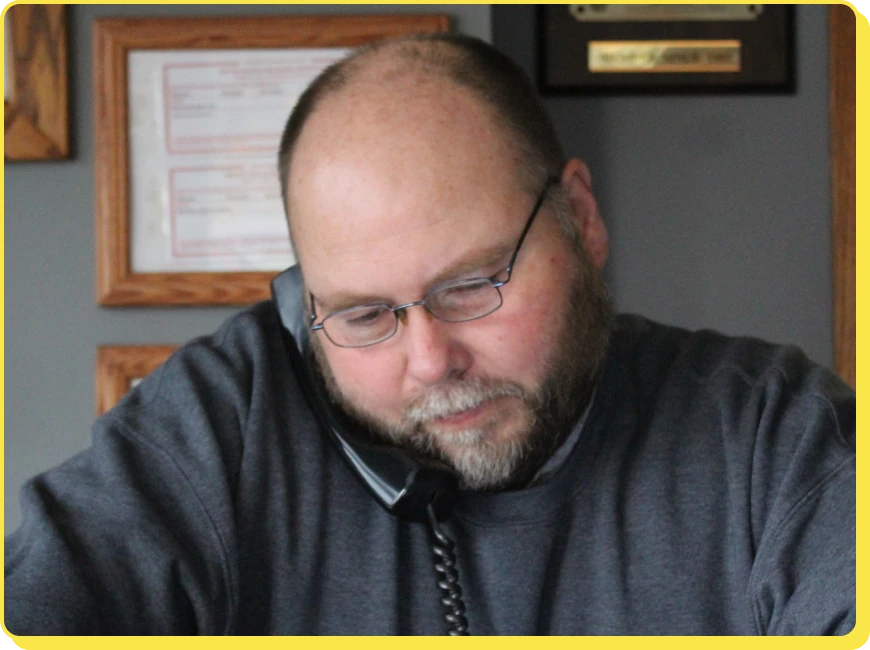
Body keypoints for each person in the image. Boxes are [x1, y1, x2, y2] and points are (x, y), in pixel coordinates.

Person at [5, 33, 855, 636]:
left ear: (583, 220)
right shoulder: (224, 422)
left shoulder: (773, 438)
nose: (429, 362)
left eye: (472, 284)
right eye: (365, 315)